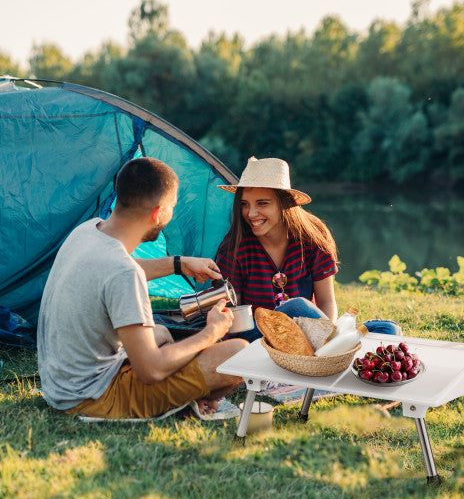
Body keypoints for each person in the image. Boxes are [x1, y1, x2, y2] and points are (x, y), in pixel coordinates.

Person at [37, 157, 246, 419]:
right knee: (238, 353)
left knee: (160, 333)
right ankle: (186, 402)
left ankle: (186, 397)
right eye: (172, 206)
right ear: (158, 213)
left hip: (62, 385)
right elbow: (151, 371)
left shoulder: (87, 231)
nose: (172, 213)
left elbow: (111, 270)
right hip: (94, 398)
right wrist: (212, 332)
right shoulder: (124, 273)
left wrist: (178, 264)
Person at [215, 157, 402, 341]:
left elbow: (327, 301)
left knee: (387, 329)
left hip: (306, 333)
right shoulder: (235, 248)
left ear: (284, 203)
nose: (251, 213)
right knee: (297, 307)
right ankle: (335, 347)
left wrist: (323, 335)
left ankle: (328, 348)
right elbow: (232, 320)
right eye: (244, 204)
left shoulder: (313, 236)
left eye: (262, 203)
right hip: (258, 337)